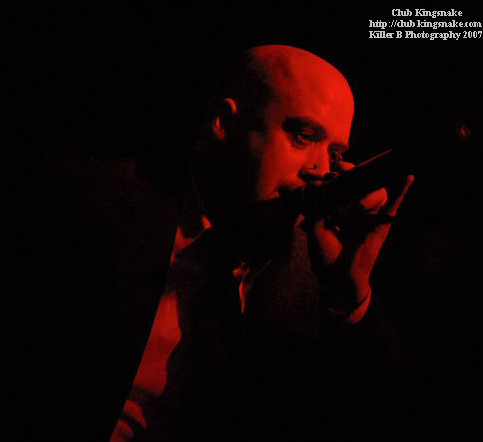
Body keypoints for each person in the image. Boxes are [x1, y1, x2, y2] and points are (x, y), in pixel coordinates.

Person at [110, 45, 417, 441]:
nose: (322, 170)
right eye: (303, 137)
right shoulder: (96, 202)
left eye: (335, 152)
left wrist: (350, 297)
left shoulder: (312, 275)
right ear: (224, 123)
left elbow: (398, 420)